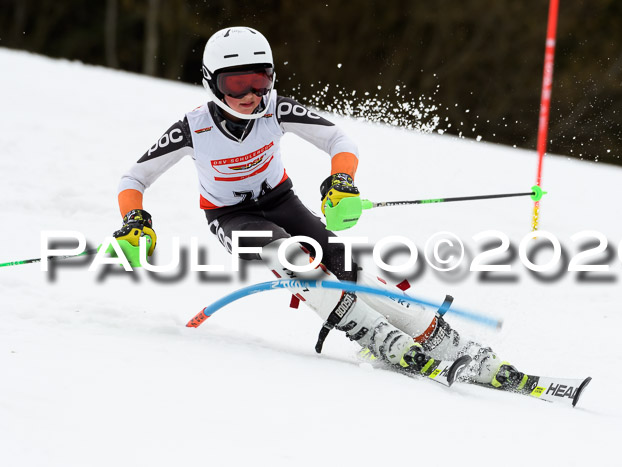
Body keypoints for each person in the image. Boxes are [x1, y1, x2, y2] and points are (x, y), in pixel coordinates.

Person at [114, 26, 522, 388]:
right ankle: (376, 337)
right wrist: (135, 221)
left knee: (341, 261)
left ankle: (436, 336)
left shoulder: (275, 109)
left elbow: (340, 142)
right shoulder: (194, 128)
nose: (251, 95)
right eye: (236, 84)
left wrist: (341, 182)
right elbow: (134, 179)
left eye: (260, 80)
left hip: (281, 199)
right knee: (294, 258)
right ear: (212, 83)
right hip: (230, 216)